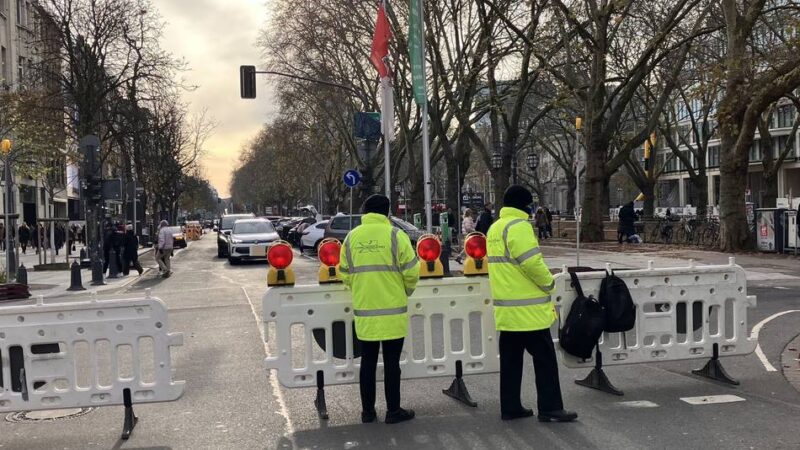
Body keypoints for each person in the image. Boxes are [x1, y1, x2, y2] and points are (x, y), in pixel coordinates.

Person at [487, 185, 577, 423]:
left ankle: (511, 407)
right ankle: (550, 408)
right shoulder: (519, 227)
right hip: (528, 311)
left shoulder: (495, 228)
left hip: (506, 310)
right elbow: (532, 263)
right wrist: (549, 283)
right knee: (545, 360)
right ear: (524, 205)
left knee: (510, 363)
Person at [339, 194, 420, 425]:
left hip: (365, 311)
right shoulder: (396, 235)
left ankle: (367, 412)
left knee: (368, 363)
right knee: (392, 363)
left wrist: (359, 288)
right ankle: (393, 411)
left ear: (365, 211)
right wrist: (405, 290)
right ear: (387, 213)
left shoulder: (352, 238)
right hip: (393, 311)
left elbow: (344, 271)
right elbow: (412, 271)